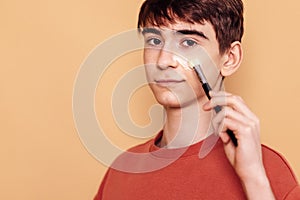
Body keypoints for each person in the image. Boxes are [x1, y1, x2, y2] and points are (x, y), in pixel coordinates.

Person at [94, 0, 300, 199]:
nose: (164, 60)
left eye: (188, 42)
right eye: (155, 41)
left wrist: (254, 179)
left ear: (230, 58)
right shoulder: (122, 170)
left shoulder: (268, 170)